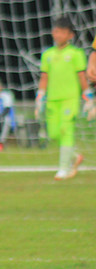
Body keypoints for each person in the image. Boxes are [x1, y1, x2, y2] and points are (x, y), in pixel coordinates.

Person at [35, 16, 90, 180]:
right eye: (56, 31)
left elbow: (82, 77)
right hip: (53, 99)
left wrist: (89, 97)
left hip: (70, 99)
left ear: (70, 35)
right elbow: (44, 77)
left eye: (62, 32)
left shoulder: (76, 54)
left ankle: (63, 169)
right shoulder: (47, 54)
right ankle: (74, 156)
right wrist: (40, 97)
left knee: (66, 131)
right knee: (53, 134)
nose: (57, 35)